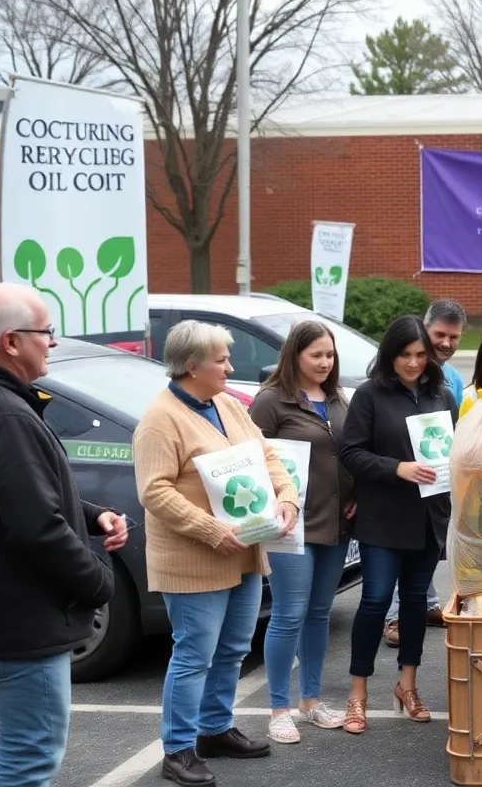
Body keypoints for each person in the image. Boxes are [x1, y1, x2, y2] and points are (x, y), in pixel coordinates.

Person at [133, 320, 299, 786]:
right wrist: (210, 530)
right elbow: (154, 491)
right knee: (194, 655)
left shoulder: (226, 403)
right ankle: (179, 749)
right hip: (194, 559)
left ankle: (215, 729)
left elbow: (266, 455)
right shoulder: (160, 420)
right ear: (192, 366)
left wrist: (286, 497)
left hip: (243, 552)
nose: (230, 366)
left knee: (232, 650)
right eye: (222, 359)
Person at [0, 284, 127, 787]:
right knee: (29, 760)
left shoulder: (6, 407)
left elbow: (21, 495)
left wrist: (93, 516)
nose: (53, 342)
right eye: (45, 332)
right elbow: (34, 524)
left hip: (6, 621)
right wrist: (97, 583)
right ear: (10, 341)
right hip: (20, 628)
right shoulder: (5, 414)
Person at [340, 316, 457, 732]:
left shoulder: (440, 395)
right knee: (374, 601)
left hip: (427, 519)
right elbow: (350, 453)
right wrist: (398, 468)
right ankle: (358, 693)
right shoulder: (370, 395)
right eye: (405, 355)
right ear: (390, 355)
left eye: (421, 355)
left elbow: (454, 451)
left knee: (413, 606)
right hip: (382, 518)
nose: (413, 363)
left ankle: (407, 685)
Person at [249, 321, 354, 744]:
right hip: (291, 526)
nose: (325, 363)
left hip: (337, 523)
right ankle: (279, 709)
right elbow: (252, 459)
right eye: (316, 356)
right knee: (290, 613)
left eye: (329, 355)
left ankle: (310, 701)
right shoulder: (271, 402)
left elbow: (351, 453)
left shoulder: (337, 398)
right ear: (295, 356)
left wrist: (357, 492)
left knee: (318, 613)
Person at [383, 301, 465, 648]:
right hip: (401, 482)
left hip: (435, 480)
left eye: (454, 337)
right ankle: (397, 616)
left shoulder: (453, 379)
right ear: (424, 328)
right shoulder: (397, 372)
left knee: (430, 544)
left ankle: (428, 603)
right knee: (405, 549)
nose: (446, 343)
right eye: (439, 335)